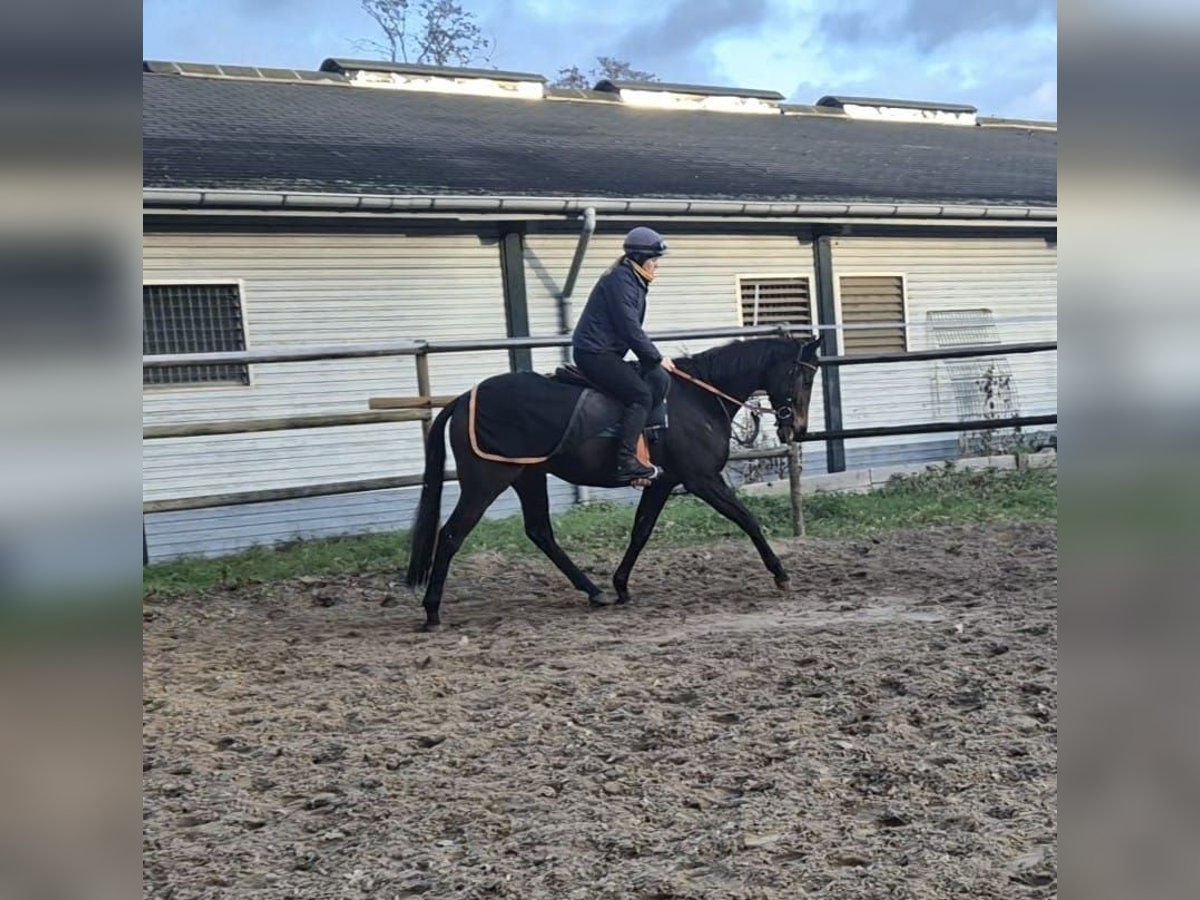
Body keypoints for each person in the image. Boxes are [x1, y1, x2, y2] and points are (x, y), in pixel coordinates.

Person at [571, 226, 675, 483]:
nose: (656, 266)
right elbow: (629, 328)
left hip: (607, 351)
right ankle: (627, 460)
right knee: (640, 394)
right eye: (653, 260)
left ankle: (653, 449)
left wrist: (653, 363)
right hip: (594, 353)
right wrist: (655, 356)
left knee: (657, 379)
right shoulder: (621, 281)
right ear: (640, 260)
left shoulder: (632, 280)